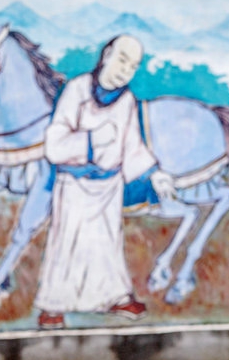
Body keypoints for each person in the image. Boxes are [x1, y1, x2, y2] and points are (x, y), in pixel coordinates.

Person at [33, 35, 175, 329]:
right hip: (74, 186)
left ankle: (116, 297)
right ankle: (54, 305)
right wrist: (91, 140)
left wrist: (154, 173)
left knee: (107, 246)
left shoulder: (125, 101)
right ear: (107, 55)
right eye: (122, 59)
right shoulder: (77, 90)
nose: (126, 70)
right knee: (68, 245)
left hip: (108, 188)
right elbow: (54, 143)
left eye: (133, 65)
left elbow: (132, 146)